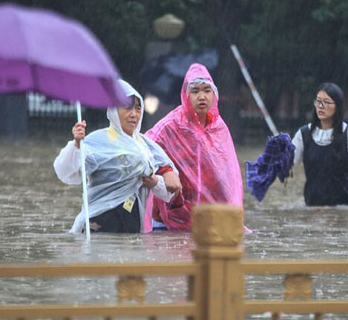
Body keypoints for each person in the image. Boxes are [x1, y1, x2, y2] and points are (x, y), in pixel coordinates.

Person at [54, 80, 181, 233]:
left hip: (132, 221)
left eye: (138, 108)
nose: (134, 114)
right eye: (127, 108)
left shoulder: (146, 145)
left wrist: (155, 181)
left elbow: (170, 190)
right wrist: (76, 145)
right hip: (100, 220)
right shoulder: (98, 140)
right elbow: (67, 172)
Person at [145, 63, 243, 231]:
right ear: (186, 95)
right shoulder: (171, 125)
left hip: (207, 222)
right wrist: (165, 171)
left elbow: (229, 177)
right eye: (195, 91)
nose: (202, 96)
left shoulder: (219, 128)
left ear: (214, 94)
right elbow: (144, 148)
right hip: (168, 221)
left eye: (206, 90)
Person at [291, 82, 348, 206]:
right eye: (318, 101)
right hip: (313, 204)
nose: (321, 106)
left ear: (337, 106)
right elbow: (289, 162)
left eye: (326, 102)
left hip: (345, 206)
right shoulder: (303, 134)